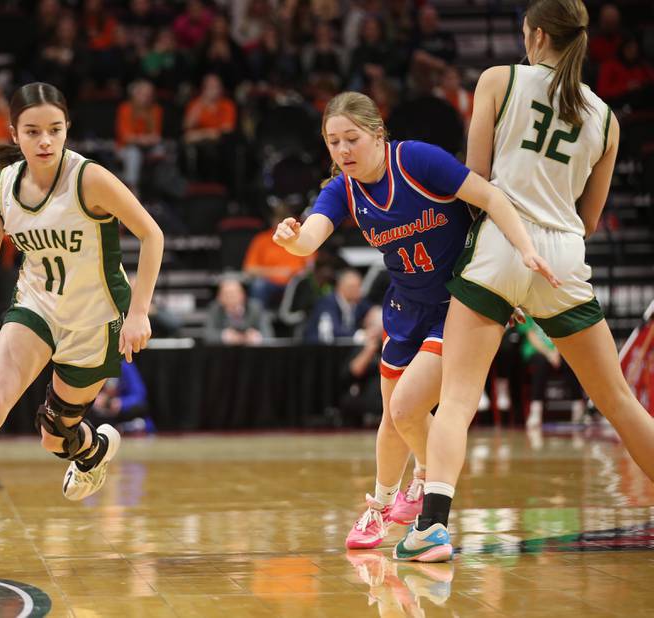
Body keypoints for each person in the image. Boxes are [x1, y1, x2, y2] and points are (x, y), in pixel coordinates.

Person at [396, 0, 654, 563]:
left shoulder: (498, 80)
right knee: (618, 402)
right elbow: (589, 220)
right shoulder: (606, 118)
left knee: (459, 401)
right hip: (562, 255)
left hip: (500, 245)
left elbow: (477, 181)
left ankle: (433, 529)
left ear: (535, 35)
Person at [273, 90, 555, 550]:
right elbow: (309, 240)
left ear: (377, 134)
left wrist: (523, 252)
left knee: (406, 408)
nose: (343, 151)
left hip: (459, 302)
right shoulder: (341, 189)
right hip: (406, 307)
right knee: (394, 418)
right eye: (333, 142)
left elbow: (490, 197)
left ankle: (426, 484)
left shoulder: (416, 161)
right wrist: (292, 239)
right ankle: (382, 508)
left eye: (352, 139)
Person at [0, 82, 164, 564]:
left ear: (66, 129)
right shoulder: (2, 185)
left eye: (55, 130)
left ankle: (91, 448)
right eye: (33, 131)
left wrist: (140, 312)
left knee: (54, 435)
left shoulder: (89, 179)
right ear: (14, 133)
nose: (45, 140)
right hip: (37, 308)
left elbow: (153, 234)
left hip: (96, 320)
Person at [304, 269, 370, 343]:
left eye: (359, 286)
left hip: (343, 348)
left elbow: (372, 312)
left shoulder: (358, 303)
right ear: (341, 287)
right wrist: (359, 334)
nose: (359, 291)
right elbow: (332, 331)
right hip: (317, 348)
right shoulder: (327, 303)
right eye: (353, 287)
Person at [203, 277, 272, 345]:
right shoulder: (214, 309)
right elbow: (207, 335)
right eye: (226, 294)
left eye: (234, 293)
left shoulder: (256, 307)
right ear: (219, 298)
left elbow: (268, 334)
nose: (231, 297)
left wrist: (256, 336)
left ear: (243, 295)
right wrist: (226, 336)